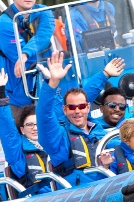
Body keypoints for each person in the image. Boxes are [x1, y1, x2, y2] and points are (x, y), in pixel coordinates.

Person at [33, 52, 108, 184]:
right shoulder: (58, 138)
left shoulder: (100, 130)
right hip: (79, 192)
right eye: (72, 108)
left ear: (88, 107)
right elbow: (44, 115)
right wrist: (53, 83)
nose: (77, 111)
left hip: (108, 183)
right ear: (65, 110)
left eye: (81, 107)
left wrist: (105, 74)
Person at [0, 68, 58, 195]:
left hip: (65, 191)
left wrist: (52, 82)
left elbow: (51, 109)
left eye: (37, 124)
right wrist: (0, 94)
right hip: (40, 200)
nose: (34, 128)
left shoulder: (57, 141)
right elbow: (7, 131)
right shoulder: (18, 153)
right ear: (22, 129)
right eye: (29, 124)